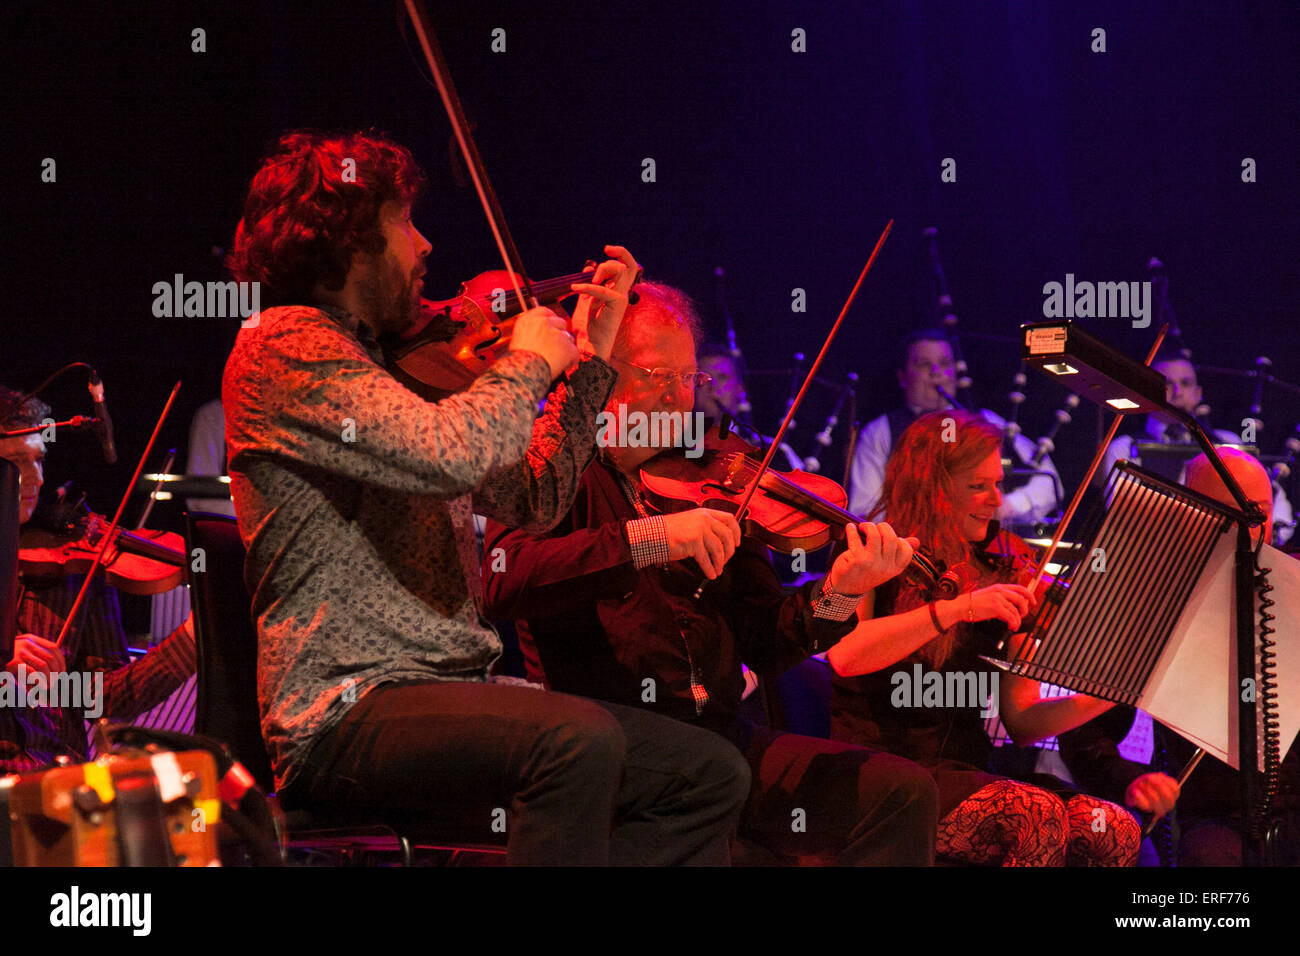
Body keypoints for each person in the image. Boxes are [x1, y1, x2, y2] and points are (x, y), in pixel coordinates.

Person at [221, 130, 750, 865]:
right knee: (576, 740)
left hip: (448, 695)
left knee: (706, 772)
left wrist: (589, 362)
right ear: (346, 238)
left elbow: (532, 496)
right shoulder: (285, 346)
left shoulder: (394, 362)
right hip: (348, 707)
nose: (427, 245)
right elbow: (449, 453)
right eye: (404, 222)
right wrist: (531, 358)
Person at [484, 281, 939, 866]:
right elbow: (504, 576)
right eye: (656, 376)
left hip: (720, 734)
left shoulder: (716, 475)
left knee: (901, 793)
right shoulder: (554, 467)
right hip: (608, 742)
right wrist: (654, 537)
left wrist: (840, 591)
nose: (680, 400)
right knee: (713, 784)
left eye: (689, 378)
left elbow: (765, 638)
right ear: (599, 369)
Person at [828, 410, 1140, 865]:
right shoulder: (872, 549)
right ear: (932, 487)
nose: (997, 500)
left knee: (1112, 827)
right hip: (880, 771)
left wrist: (1117, 692)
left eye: (998, 483)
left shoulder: (1008, 564)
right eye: (979, 486)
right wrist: (959, 607)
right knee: (1033, 815)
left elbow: (1023, 721)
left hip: (965, 774)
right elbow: (845, 653)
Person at [1059, 447, 1300, 865]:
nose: (1248, 529)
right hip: (1217, 817)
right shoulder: (1148, 602)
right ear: (1190, 512)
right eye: (1230, 513)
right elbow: (1083, 735)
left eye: (1257, 512)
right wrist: (1133, 781)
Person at [0, 387, 196, 773]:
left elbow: (105, 699)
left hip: (55, 782)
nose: (36, 478)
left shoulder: (77, 567)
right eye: (16, 463)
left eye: (39, 460)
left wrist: (192, 636)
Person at [848, 329, 1060, 527]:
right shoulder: (880, 432)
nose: (936, 373)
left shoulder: (985, 422)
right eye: (923, 364)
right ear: (903, 377)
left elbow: (1049, 482)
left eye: (944, 363)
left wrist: (1009, 506)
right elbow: (865, 511)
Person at [1100, 350, 1293, 545]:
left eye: (1185, 383)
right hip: (1153, 552)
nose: (1177, 391)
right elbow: (1122, 510)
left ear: (1198, 393)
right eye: (1167, 383)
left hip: (1224, 554)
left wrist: (1270, 536)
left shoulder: (1226, 442)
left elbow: (1268, 493)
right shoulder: (1125, 448)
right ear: (1147, 391)